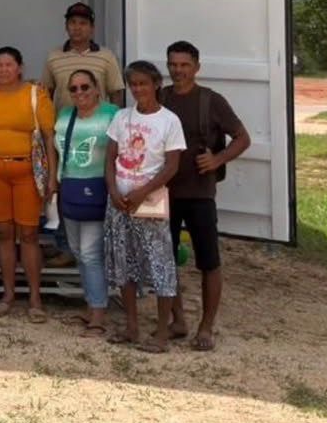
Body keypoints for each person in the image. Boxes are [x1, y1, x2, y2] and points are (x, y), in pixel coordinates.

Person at [162, 40, 251, 351]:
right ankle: (178, 320)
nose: (178, 70)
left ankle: (206, 327)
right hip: (164, 193)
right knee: (165, 259)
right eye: (173, 64)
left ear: (197, 67)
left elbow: (242, 138)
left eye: (185, 65)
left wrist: (217, 160)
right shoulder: (160, 99)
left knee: (208, 261)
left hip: (200, 194)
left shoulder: (212, 101)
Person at [104, 60, 187, 353]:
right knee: (124, 261)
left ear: (156, 85)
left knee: (160, 263)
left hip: (150, 200)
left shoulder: (169, 121)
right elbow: (111, 157)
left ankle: (162, 333)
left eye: (143, 83)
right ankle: (132, 326)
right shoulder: (122, 117)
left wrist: (144, 191)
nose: (138, 89)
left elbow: (172, 165)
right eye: (133, 84)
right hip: (120, 201)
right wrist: (113, 190)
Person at [0, 46, 57, 322]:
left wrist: (52, 176)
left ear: (20, 67)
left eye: (9, 65)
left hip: (27, 172)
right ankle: (8, 294)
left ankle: (34, 298)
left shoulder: (35, 93)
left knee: (29, 234)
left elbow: (48, 137)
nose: (4, 70)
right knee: (5, 232)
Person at [40, 2, 125, 268]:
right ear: (66, 25)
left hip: (96, 134)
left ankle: (96, 249)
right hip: (64, 132)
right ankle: (65, 247)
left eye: (83, 23)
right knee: (63, 188)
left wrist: (117, 130)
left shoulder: (107, 57)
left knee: (94, 188)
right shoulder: (54, 56)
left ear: (92, 27)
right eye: (73, 23)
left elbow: (116, 93)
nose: (77, 28)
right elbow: (46, 92)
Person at [53, 69, 117, 335]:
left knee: (91, 253)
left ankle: (99, 314)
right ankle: (92, 304)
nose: (80, 93)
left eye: (85, 87)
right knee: (78, 250)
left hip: (98, 188)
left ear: (97, 88)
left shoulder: (112, 114)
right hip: (70, 186)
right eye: (74, 89)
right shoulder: (65, 115)